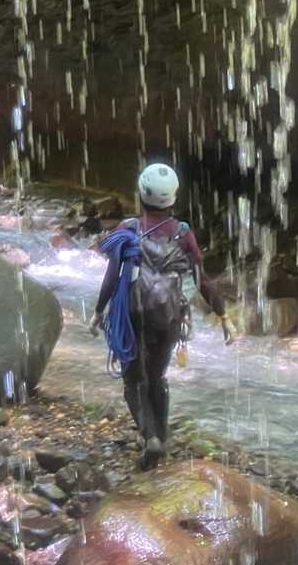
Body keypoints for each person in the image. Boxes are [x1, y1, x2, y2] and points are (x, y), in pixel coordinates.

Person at [90, 162, 234, 468]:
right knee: (157, 376)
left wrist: (98, 311)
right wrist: (224, 316)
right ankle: (162, 438)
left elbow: (112, 277)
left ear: (141, 194)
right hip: (169, 316)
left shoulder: (128, 230)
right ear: (173, 198)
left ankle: (151, 438)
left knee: (134, 381)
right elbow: (202, 280)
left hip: (133, 315)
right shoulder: (183, 234)